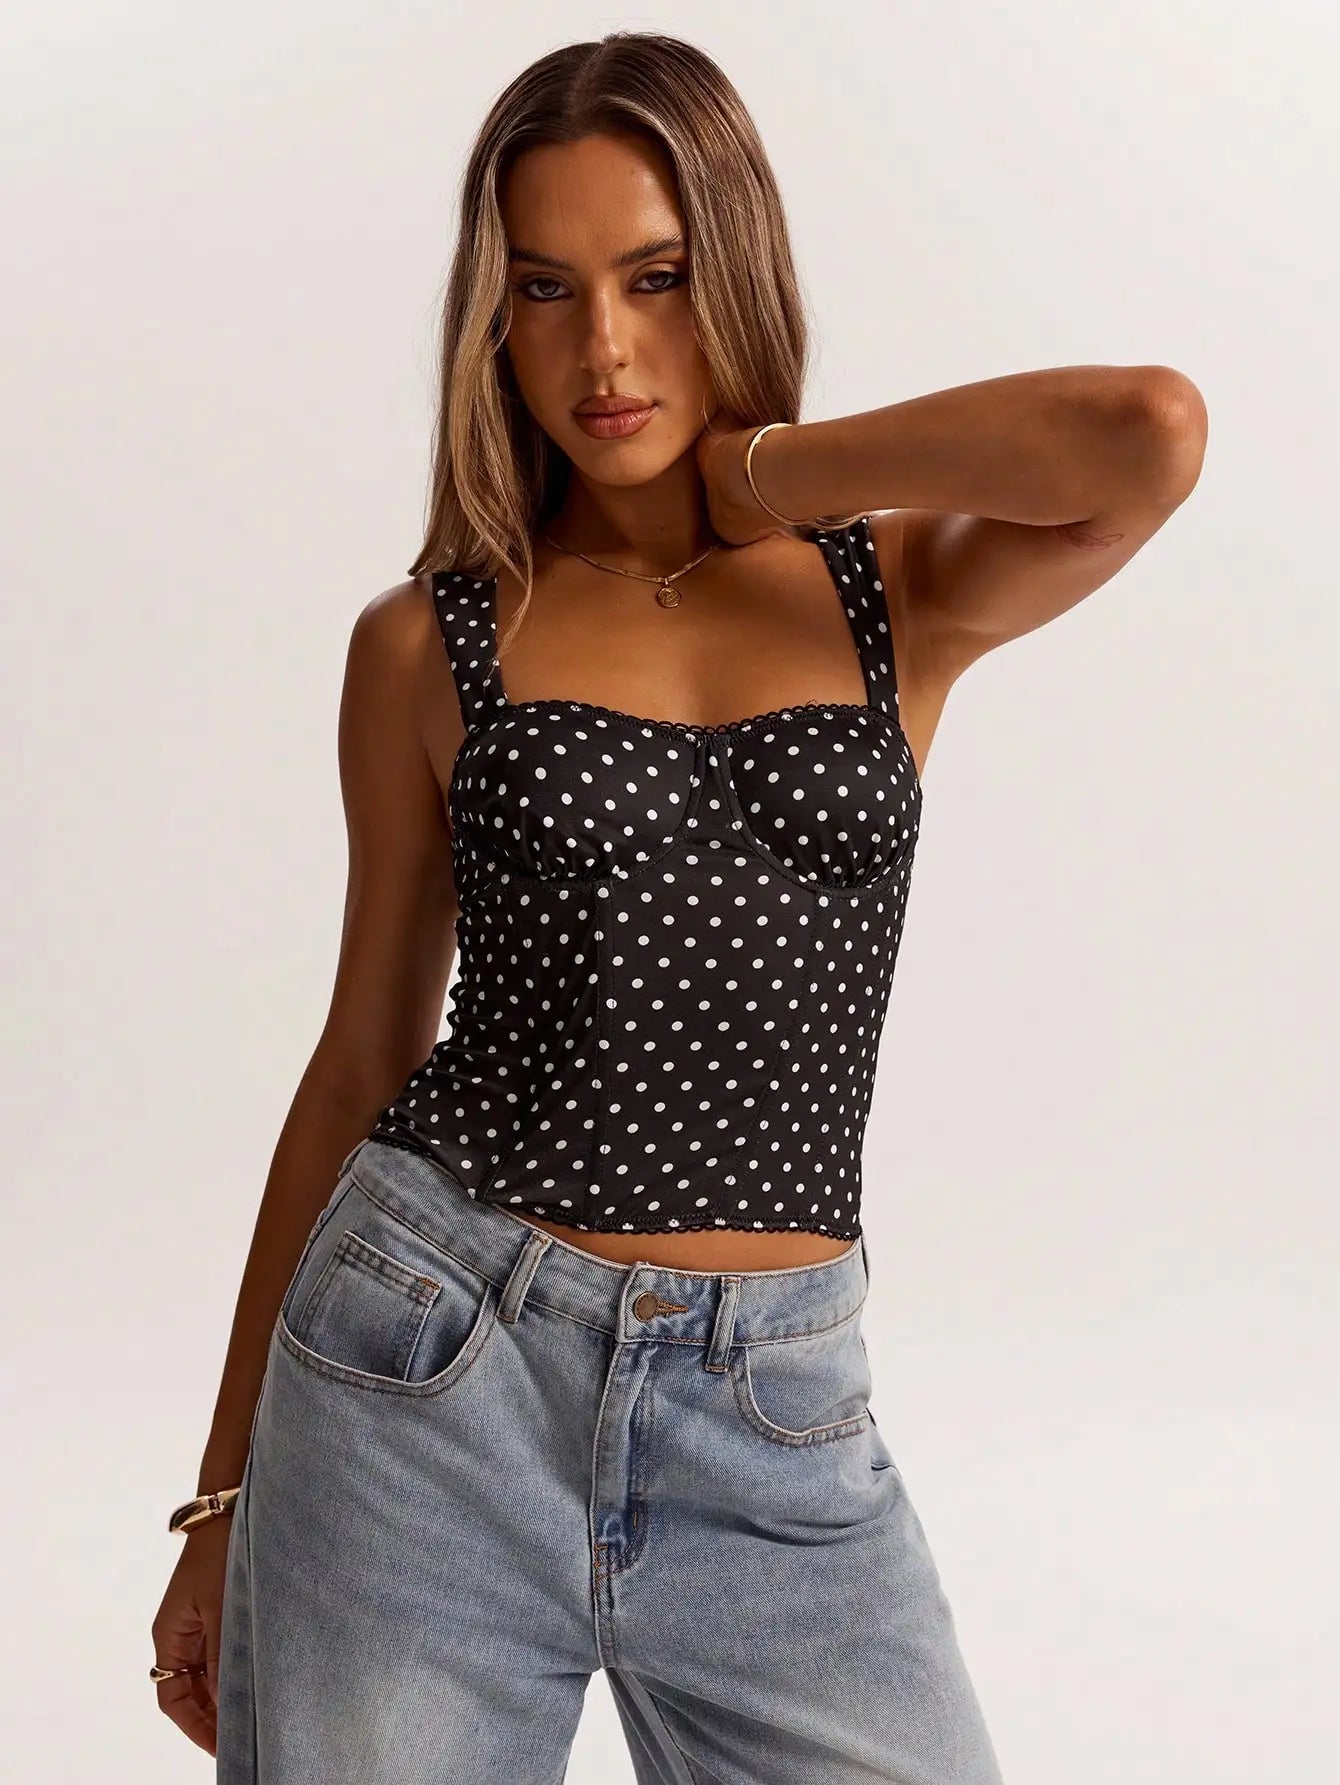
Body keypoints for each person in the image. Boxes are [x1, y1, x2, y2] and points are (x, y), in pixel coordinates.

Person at [149, 29, 1206, 1784]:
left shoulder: (894, 594)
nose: (604, 350)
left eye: (655, 276)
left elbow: (1147, 435)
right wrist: (219, 1496)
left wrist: (769, 475)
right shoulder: (428, 640)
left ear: (734, 265)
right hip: (433, 1368)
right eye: (544, 289)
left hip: (777, 1418)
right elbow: (360, 1057)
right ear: (491, 320)